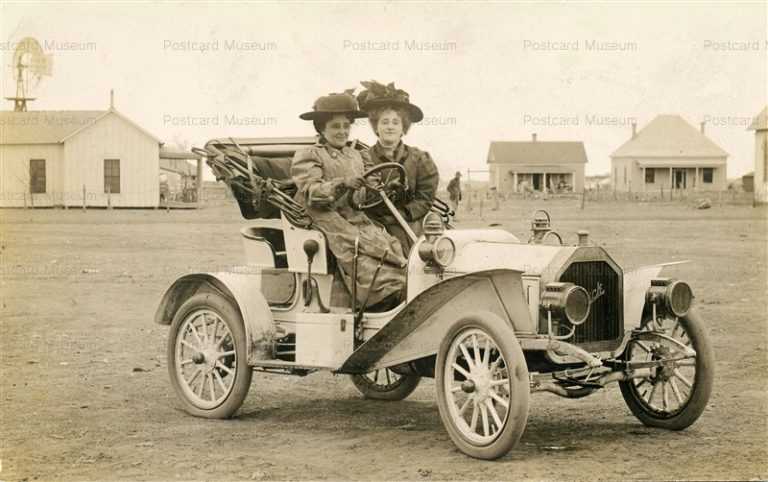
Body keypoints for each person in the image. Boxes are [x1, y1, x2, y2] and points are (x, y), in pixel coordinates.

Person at [291, 91, 406, 308]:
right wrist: (343, 183)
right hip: (324, 217)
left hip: (354, 215)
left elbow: (369, 187)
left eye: (346, 126)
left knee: (388, 243)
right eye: (335, 126)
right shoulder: (309, 154)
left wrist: (383, 188)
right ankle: (379, 299)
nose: (342, 131)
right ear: (321, 128)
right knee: (359, 249)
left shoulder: (356, 154)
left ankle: (398, 292)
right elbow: (312, 192)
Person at [357, 80, 439, 253]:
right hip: (375, 224)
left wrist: (403, 214)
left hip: (410, 223)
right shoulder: (362, 159)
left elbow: (425, 198)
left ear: (404, 128)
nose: (390, 127)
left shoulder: (420, 159)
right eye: (384, 122)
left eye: (396, 122)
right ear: (376, 127)